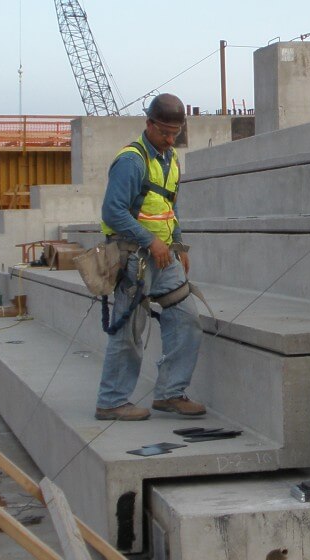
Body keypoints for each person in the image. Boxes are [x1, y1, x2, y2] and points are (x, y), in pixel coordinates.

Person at [94, 93, 205, 421]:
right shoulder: (132, 160)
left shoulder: (170, 160)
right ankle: (111, 401)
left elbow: (169, 209)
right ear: (149, 124)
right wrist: (150, 241)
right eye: (164, 133)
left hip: (163, 257)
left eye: (175, 133)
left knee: (186, 318)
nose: (170, 139)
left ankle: (171, 393)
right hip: (134, 258)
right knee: (130, 329)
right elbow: (112, 211)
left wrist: (178, 245)